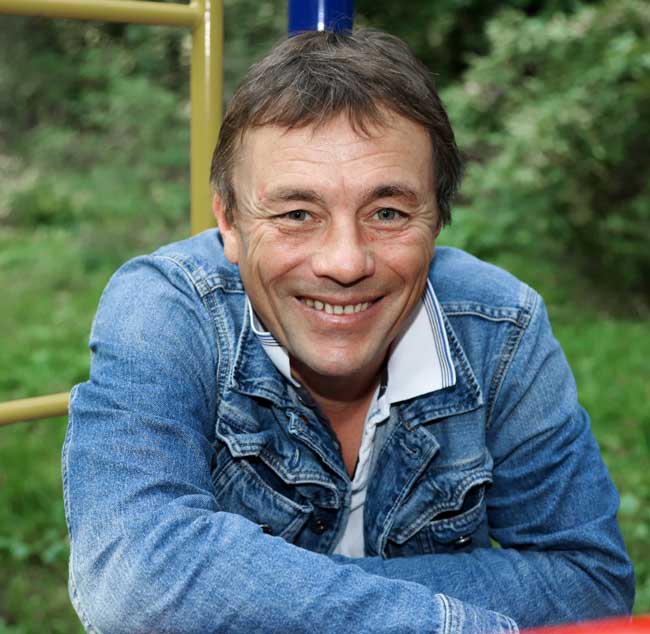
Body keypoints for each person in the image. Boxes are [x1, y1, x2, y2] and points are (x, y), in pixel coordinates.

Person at [62, 29, 634, 634]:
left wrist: (256, 592)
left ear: (437, 220)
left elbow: (591, 585)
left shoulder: (500, 326)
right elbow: (134, 579)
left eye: (387, 213)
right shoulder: (166, 308)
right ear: (229, 222)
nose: (344, 262)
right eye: (296, 214)